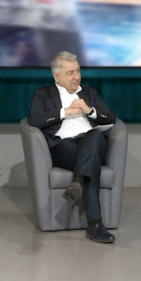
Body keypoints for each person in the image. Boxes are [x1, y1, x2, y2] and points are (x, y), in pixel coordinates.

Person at [27, 51, 117, 243]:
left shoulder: (89, 93)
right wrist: (63, 112)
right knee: (91, 163)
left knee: (94, 136)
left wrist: (89, 110)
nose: (76, 77)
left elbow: (110, 118)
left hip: (92, 142)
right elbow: (34, 119)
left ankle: (78, 181)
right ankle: (95, 225)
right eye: (70, 73)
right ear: (57, 76)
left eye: (78, 71)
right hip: (63, 147)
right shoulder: (43, 94)